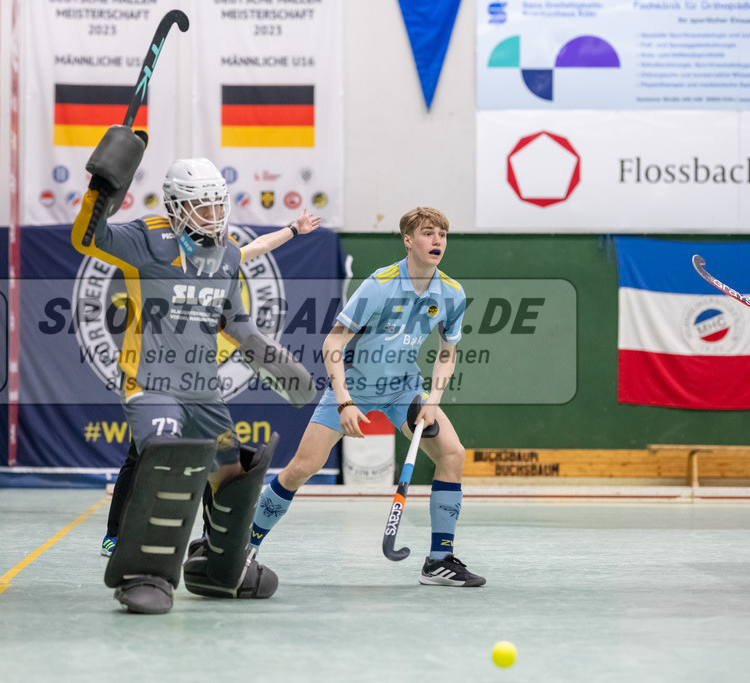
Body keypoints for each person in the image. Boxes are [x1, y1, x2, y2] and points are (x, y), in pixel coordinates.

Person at [71, 124, 317, 613]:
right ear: (177, 206)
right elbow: (87, 237)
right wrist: (105, 184)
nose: (214, 215)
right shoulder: (145, 240)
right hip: (151, 383)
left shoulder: (226, 254)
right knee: (168, 459)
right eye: (203, 206)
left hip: (203, 390)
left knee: (232, 471)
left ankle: (219, 568)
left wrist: (275, 363)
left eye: (218, 203)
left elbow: (236, 324)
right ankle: (145, 572)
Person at [248, 207, 486, 587]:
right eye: (428, 233)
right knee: (302, 468)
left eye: (442, 233)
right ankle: (245, 544)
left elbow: (447, 350)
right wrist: (344, 401)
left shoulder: (452, 293)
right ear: (408, 240)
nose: (437, 240)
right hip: (354, 384)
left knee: (452, 453)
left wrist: (433, 399)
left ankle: (439, 560)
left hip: (404, 388)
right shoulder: (379, 285)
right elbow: (333, 342)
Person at [99, 214, 321, 558]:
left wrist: (293, 230)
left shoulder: (220, 268)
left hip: (196, 382)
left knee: (211, 457)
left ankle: (211, 537)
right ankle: (116, 535)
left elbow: (256, 248)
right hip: (155, 377)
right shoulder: (166, 270)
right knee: (141, 456)